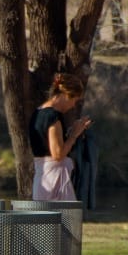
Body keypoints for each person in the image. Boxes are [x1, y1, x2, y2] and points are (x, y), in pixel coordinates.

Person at [28, 72, 91, 201]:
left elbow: (46, 143)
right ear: (66, 95)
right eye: (74, 100)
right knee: (62, 214)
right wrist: (74, 135)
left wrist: (71, 132)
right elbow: (57, 154)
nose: (73, 106)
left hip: (42, 177)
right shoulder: (52, 116)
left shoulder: (38, 112)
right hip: (54, 180)